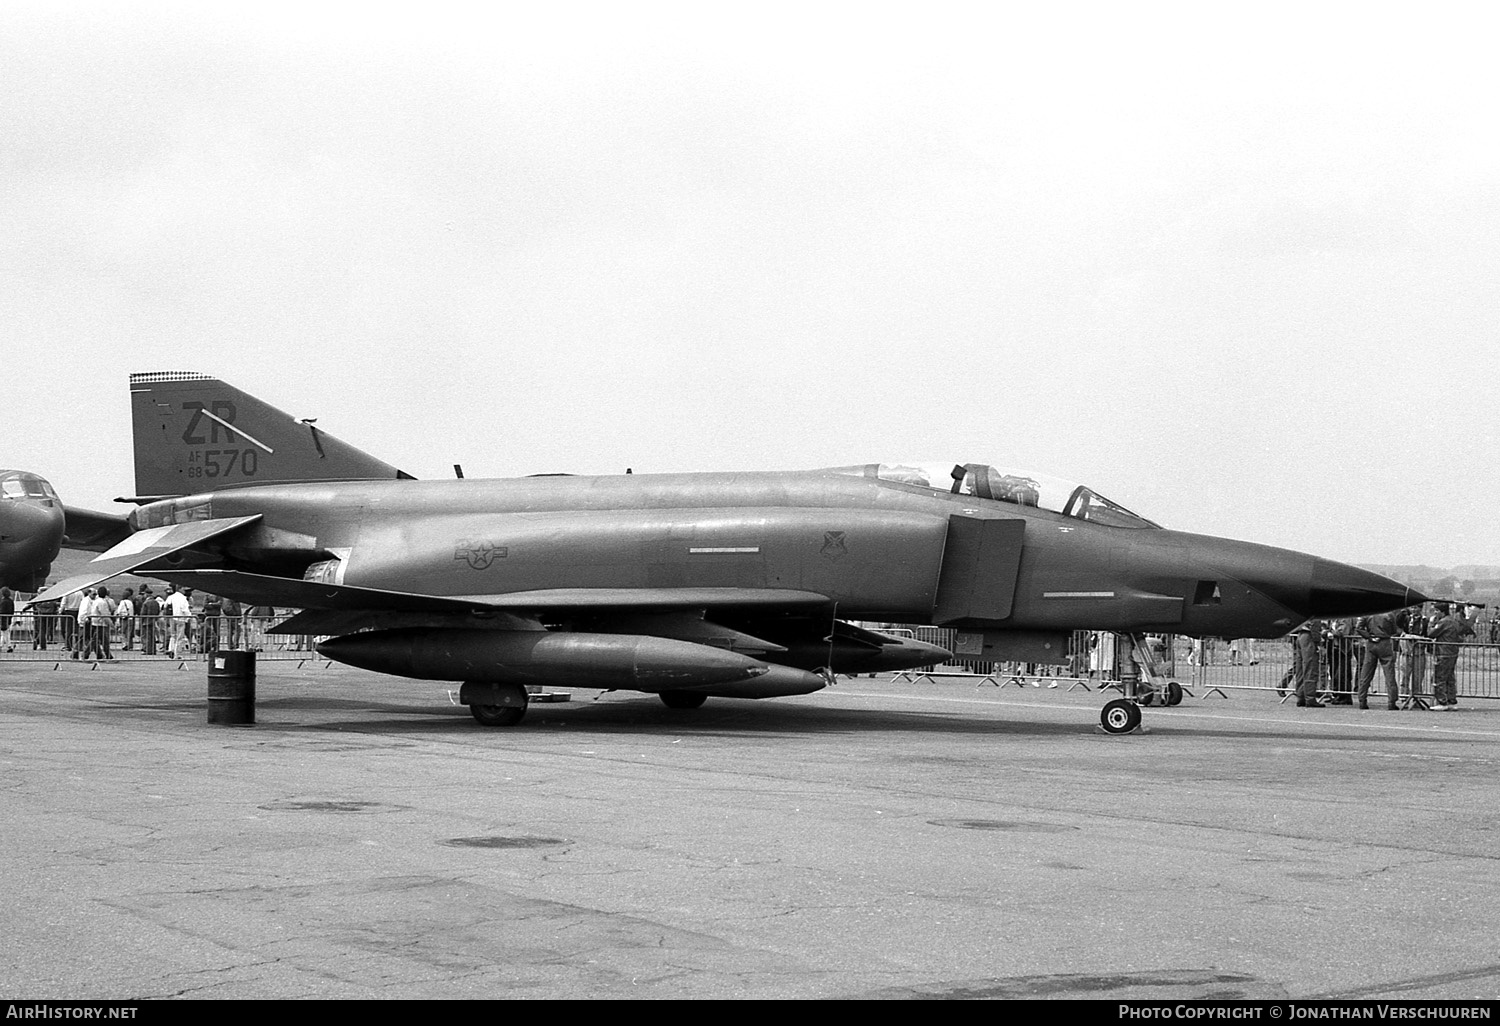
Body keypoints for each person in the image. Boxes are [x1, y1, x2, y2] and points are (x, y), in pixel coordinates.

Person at [1427, 603, 1475, 711]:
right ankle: (1451, 700)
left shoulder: (1444, 622)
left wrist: (1431, 623)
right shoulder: (1453, 621)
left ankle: (1442, 701)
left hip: (1443, 652)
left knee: (1439, 676)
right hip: (1452, 652)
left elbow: (1431, 633)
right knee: (1449, 677)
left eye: (1437, 610)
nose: (1435, 613)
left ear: (1442, 612)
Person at [1354, 609, 1401, 710]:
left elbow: (1359, 628)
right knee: (1389, 673)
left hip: (1371, 643)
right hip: (1385, 642)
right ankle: (1391, 701)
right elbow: (1394, 630)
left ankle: (1362, 699)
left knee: (1366, 673)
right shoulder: (1389, 614)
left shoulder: (1367, 613)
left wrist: (1369, 636)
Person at [1294, 619, 1325, 707]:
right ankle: (1310, 698)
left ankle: (1301, 697)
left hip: (1300, 634)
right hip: (1309, 636)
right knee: (1310, 668)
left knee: (1300, 669)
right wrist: (1317, 642)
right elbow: (1315, 625)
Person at [166, 586, 195, 658]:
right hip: (181, 618)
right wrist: (189, 617)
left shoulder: (171, 597)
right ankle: (177, 654)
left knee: (173, 635)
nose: (184, 590)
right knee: (180, 637)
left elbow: (166, 605)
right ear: (179, 589)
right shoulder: (182, 598)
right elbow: (184, 609)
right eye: (183, 589)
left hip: (172, 618)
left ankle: (171, 649)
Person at [138, 587, 160, 656]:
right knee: (152, 636)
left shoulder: (146, 603)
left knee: (146, 636)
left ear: (146, 594)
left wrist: (141, 621)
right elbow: (158, 611)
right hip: (153, 620)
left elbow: (143, 613)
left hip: (146, 621)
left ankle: (147, 650)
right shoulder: (156, 602)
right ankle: (153, 650)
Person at [0, 587, 14, 652]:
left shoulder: (3, 602)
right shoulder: (10, 601)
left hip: (3, 619)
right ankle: (4, 645)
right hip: (8, 618)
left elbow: (1, 611)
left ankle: (9, 646)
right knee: (5, 633)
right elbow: (12, 610)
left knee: (4, 633)